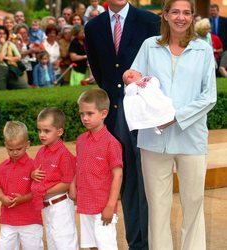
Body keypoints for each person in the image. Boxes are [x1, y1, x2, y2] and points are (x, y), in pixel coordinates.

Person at [130, 0, 217, 249]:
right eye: (175, 12)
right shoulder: (149, 46)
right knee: (157, 209)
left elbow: (208, 96)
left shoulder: (203, 50)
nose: (181, 17)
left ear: (192, 16)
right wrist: (132, 82)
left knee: (194, 204)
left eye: (186, 12)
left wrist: (176, 116)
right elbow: (135, 84)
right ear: (165, 15)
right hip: (153, 140)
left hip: (191, 139)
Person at [84, 0, 160, 248]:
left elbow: (155, 67)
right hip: (115, 118)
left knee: (147, 181)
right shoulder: (93, 27)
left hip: (144, 115)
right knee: (126, 183)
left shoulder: (149, 21)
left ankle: (151, 242)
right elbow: (99, 70)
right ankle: (135, 242)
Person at [69, 88, 123, 249]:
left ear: (104, 113)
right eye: (81, 114)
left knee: (106, 245)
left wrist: (109, 206)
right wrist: (73, 185)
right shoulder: (81, 140)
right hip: (85, 204)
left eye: (90, 113)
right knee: (91, 245)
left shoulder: (111, 143)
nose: (84, 118)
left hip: (103, 206)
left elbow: (118, 175)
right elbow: (79, 165)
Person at [31, 107, 78, 250]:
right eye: (39, 130)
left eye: (46, 131)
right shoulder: (41, 152)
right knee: (52, 242)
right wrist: (33, 174)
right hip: (47, 206)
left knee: (64, 242)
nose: (42, 135)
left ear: (60, 132)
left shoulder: (64, 155)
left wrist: (44, 192)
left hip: (60, 206)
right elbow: (36, 173)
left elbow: (67, 183)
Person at [0, 121, 43, 250]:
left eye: (18, 149)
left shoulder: (34, 166)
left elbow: (39, 190)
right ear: (5, 145)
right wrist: (2, 198)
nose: (14, 152)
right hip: (8, 220)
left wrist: (23, 199)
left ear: (27, 145)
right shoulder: (3, 167)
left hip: (30, 220)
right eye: (10, 149)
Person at [122, 69, 175, 133]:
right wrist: (135, 84)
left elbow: (156, 84)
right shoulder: (132, 86)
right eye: (127, 77)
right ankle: (156, 125)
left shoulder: (147, 80)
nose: (130, 75)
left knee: (163, 107)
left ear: (140, 73)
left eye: (131, 72)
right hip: (146, 103)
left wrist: (150, 79)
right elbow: (129, 92)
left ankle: (164, 120)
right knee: (151, 113)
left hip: (156, 98)